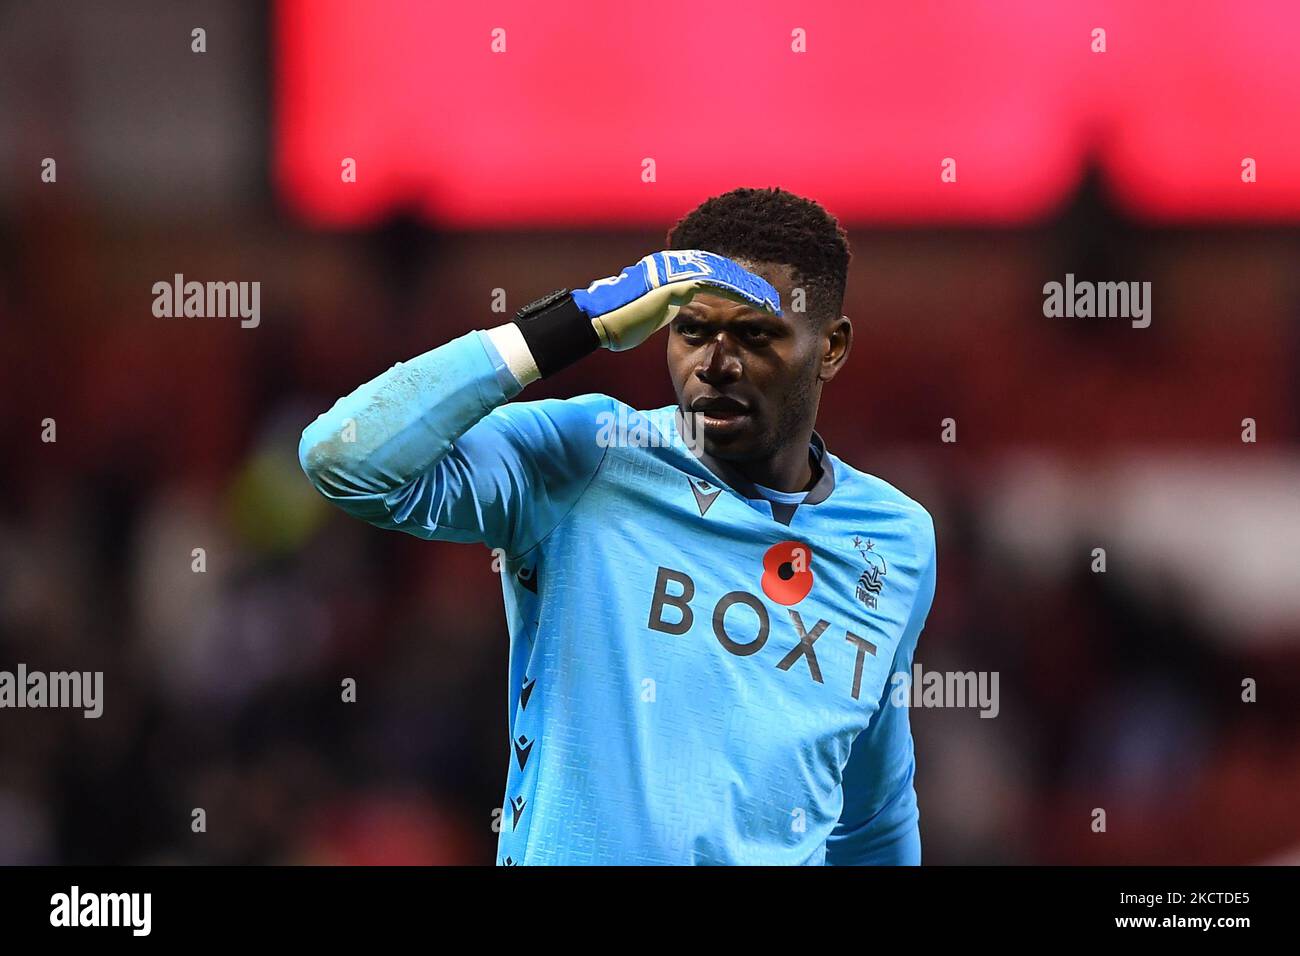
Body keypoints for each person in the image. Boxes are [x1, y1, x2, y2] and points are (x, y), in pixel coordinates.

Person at [299, 186, 937, 865]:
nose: (714, 365)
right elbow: (344, 456)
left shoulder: (897, 539)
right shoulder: (589, 455)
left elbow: (872, 816)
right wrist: (573, 322)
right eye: (691, 331)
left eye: (755, 335)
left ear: (830, 349)